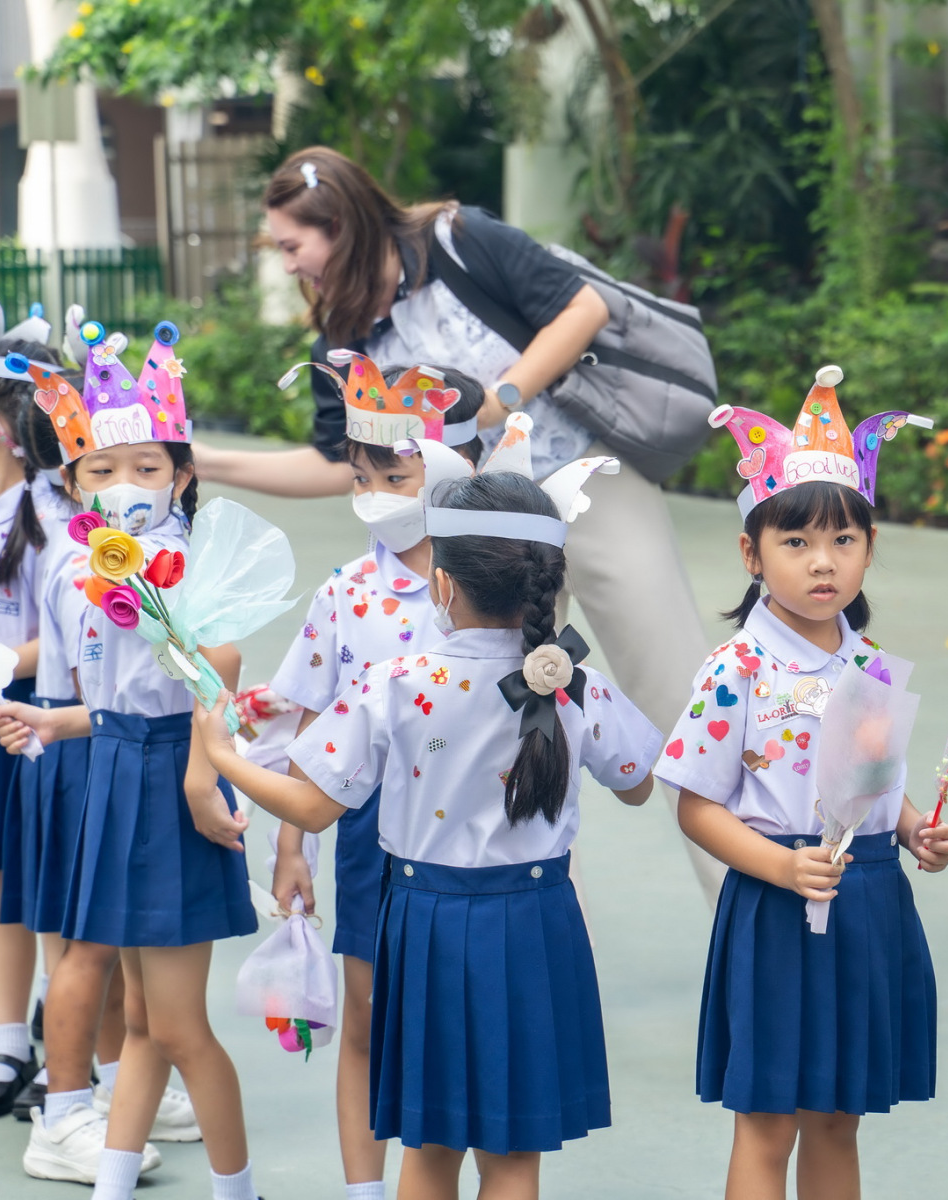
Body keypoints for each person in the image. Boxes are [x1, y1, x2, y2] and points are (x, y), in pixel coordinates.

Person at [195, 147, 721, 902]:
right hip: (474, 542)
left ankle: (751, 903)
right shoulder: (343, 337)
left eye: (291, 244)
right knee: (497, 726)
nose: (287, 264)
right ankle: (537, 934)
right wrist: (208, 459)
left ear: (340, 225)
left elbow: (583, 309)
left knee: (676, 693)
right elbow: (337, 463)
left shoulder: (458, 239)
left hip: (586, 483)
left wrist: (497, 402)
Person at [192, 467, 661, 1200]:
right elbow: (636, 784)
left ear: (443, 585)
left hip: (427, 921)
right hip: (537, 922)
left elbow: (312, 807)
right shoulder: (577, 684)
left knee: (431, 1147)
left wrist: (223, 756)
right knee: (513, 1157)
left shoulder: (397, 683)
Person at [658, 366, 948, 1199]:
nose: (823, 563)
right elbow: (696, 807)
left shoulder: (871, 664)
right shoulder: (736, 668)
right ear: (751, 553)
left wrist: (912, 828)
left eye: (843, 540)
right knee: (768, 1121)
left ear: (869, 546)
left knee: (838, 1117)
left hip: (867, 900)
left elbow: (873, 780)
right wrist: (781, 866)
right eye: (796, 543)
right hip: (776, 906)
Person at [0, 320, 258, 1199]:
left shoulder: (184, 562)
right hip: (114, 772)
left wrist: (201, 773)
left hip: (167, 784)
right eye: (101, 471)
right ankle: (110, 1183)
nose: (125, 486)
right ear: (72, 482)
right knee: (141, 1023)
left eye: (147, 467)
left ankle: (238, 1188)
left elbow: (217, 673)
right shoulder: (84, 568)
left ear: (182, 474)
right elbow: (115, 704)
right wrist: (53, 722)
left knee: (176, 1027)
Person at [265, 355, 485, 1200]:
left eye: (396, 477)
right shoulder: (346, 592)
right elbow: (309, 724)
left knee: (456, 1025)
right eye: (362, 477)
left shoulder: (495, 584)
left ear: (455, 471)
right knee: (365, 1016)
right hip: (367, 829)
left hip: (470, 838)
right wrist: (293, 847)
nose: (375, 494)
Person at [0, 322, 58, 1121]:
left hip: (39, 720)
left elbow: (63, 637)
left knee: (46, 889)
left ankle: (62, 1050)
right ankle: (8, 1040)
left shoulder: (46, 511)